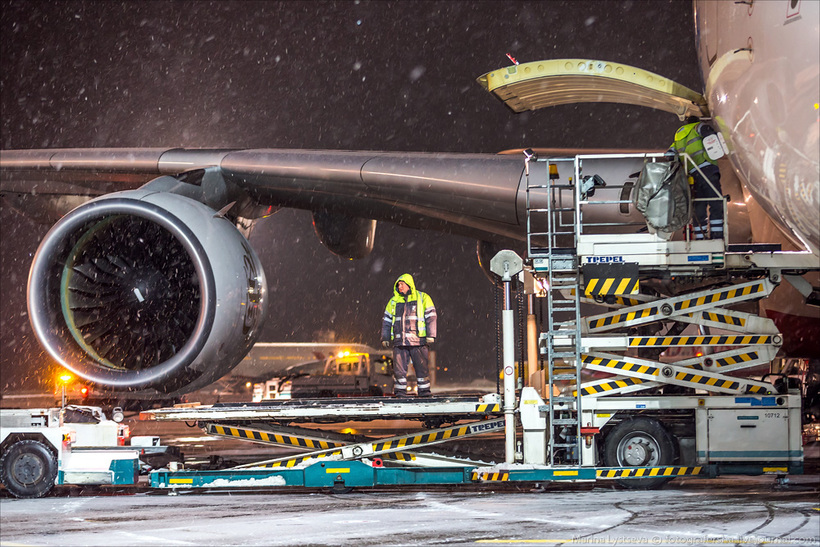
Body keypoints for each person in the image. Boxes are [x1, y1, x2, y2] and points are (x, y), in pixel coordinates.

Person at [381, 273, 437, 397]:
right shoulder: (393, 301)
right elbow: (387, 320)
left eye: (402, 284)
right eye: (398, 285)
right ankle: (400, 394)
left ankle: (424, 393)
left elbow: (431, 317)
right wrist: (385, 337)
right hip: (400, 342)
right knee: (399, 372)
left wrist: (431, 334)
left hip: (419, 342)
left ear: (409, 284)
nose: (399, 287)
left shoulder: (423, 298)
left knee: (422, 370)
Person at [669, 116, 724, 240]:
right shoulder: (699, 127)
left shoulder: (679, 134)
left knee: (699, 206)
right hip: (706, 169)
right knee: (716, 203)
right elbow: (712, 138)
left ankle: (700, 237)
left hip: (691, 176)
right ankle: (717, 236)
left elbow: (669, 154)